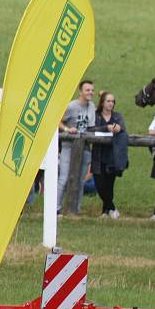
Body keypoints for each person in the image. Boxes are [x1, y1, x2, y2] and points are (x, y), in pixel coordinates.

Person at [56, 80, 95, 215]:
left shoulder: (92, 107)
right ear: (80, 92)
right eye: (87, 90)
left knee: (80, 181)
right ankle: (55, 208)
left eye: (92, 90)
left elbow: (91, 127)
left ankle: (75, 209)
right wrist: (67, 129)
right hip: (69, 146)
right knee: (64, 178)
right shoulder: (71, 106)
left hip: (85, 147)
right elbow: (57, 121)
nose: (90, 93)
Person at [92, 91, 127, 219]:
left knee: (109, 185)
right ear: (102, 102)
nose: (111, 103)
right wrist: (105, 128)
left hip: (113, 155)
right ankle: (112, 208)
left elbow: (123, 130)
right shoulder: (95, 116)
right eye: (108, 101)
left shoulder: (118, 116)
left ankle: (105, 212)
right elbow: (90, 129)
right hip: (98, 155)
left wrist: (119, 129)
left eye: (113, 101)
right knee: (99, 185)